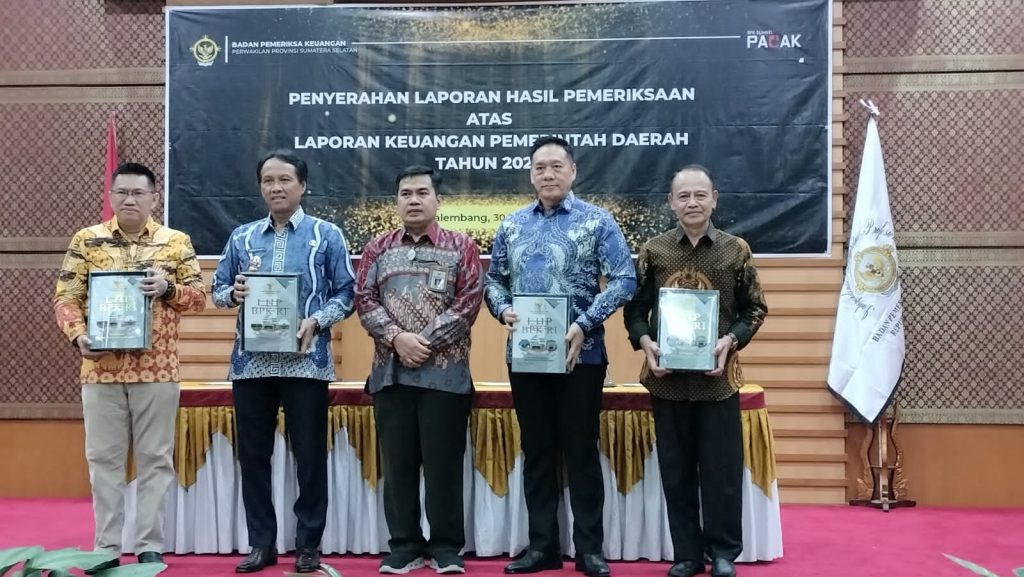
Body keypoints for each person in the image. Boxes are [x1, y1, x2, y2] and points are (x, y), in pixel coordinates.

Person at [484, 136, 636, 577]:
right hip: (526, 356)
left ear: (573, 171)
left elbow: (625, 279)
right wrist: (503, 309)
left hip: (580, 355)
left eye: (556, 166)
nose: (547, 174)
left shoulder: (597, 221)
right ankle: (542, 547)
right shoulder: (512, 224)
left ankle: (589, 550)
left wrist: (585, 323)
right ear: (531, 174)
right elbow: (493, 281)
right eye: (539, 167)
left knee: (581, 451)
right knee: (536, 452)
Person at [54, 162, 207, 574]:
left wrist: (168, 288)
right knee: (103, 460)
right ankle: (105, 546)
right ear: (111, 196)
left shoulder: (176, 242)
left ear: (154, 198)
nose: (129, 199)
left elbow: (199, 298)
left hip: (157, 370)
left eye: (139, 193)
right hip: (100, 371)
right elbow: (66, 296)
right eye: (122, 192)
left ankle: (149, 545)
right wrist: (77, 335)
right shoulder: (87, 240)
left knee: (155, 459)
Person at [212, 151, 356, 574]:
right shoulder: (242, 237)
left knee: (309, 457)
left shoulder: (326, 235)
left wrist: (317, 320)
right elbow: (217, 290)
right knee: (253, 458)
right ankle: (262, 544)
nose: (276, 187)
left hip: (305, 362)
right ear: (260, 187)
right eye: (268, 180)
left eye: (285, 180)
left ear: (303, 185)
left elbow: (347, 294)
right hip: (250, 364)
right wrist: (233, 294)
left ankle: (308, 544)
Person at [622, 165, 768, 577]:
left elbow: (755, 309)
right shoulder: (653, 251)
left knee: (722, 473)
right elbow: (635, 310)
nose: (692, 203)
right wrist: (645, 341)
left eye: (700, 195)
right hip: (667, 382)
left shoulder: (736, 250)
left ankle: (723, 552)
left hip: (717, 382)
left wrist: (730, 340)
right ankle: (687, 554)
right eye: (683, 196)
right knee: (676, 471)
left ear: (714, 199)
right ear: (671, 202)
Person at [356, 166, 483, 575]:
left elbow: (468, 303)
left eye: (422, 192)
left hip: (445, 378)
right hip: (390, 376)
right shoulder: (377, 248)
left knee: (444, 466)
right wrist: (397, 339)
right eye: (406, 193)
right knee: (398, 467)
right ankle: (404, 545)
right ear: (396, 201)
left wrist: (421, 342)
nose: (414, 199)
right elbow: (364, 299)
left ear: (437, 200)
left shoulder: (462, 246)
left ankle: (446, 547)